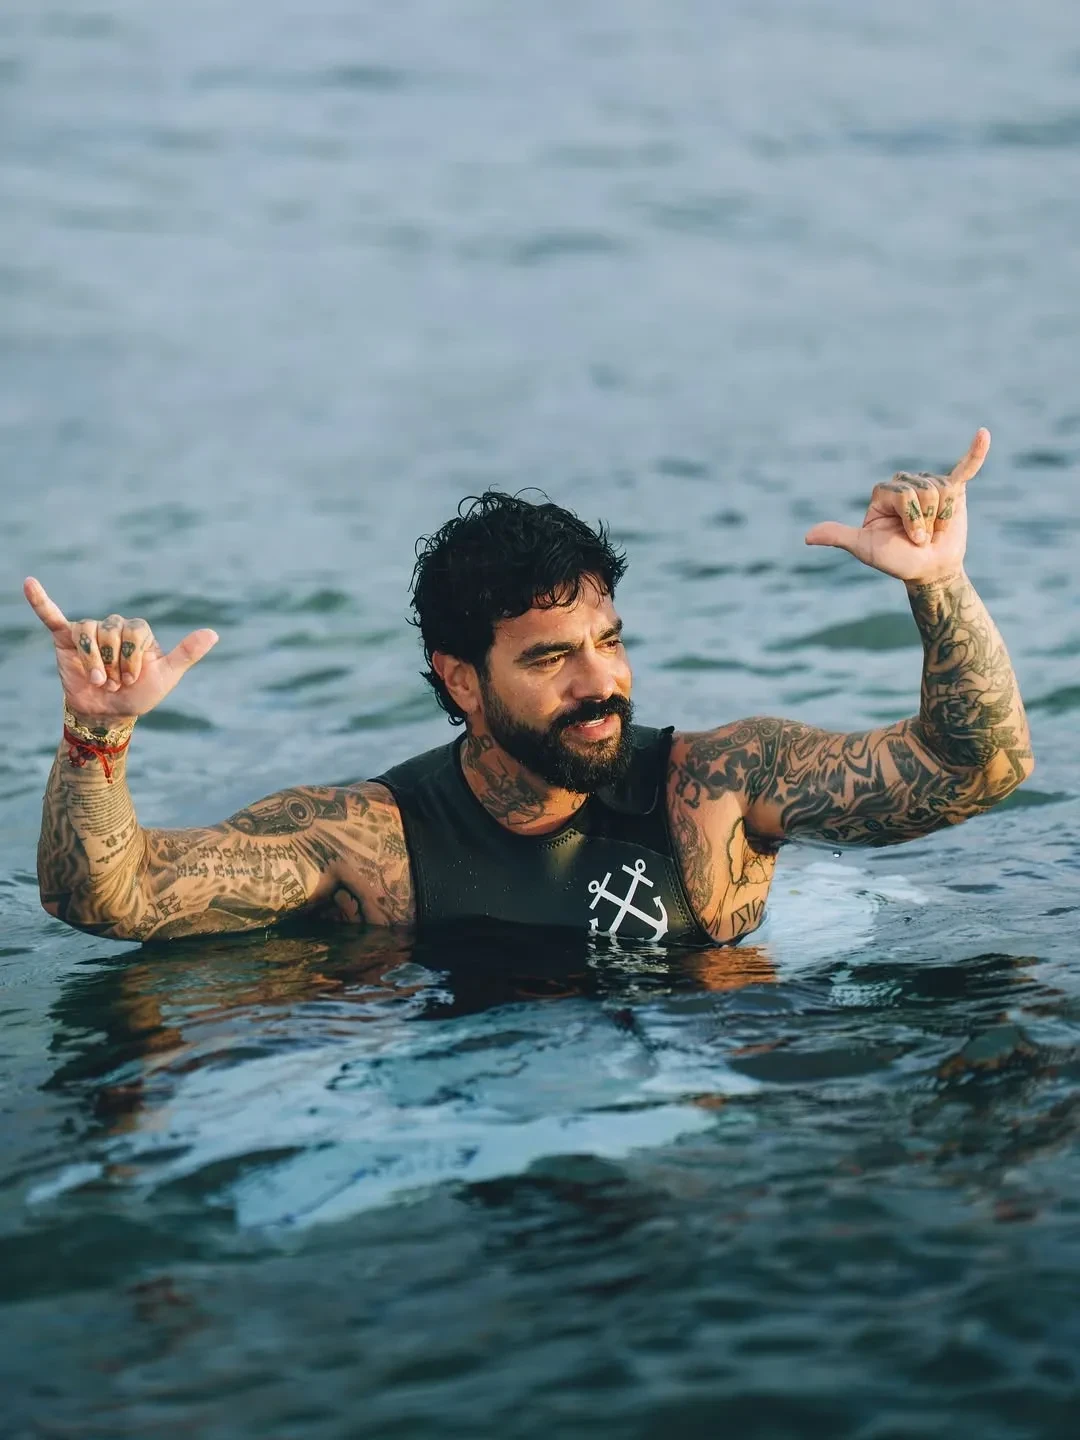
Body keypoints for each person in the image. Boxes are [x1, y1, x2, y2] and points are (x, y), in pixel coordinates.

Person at [29, 428, 1033, 946]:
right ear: (461, 680)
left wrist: (939, 585)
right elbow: (110, 898)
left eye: (609, 641)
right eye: (551, 659)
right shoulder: (371, 841)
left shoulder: (717, 790)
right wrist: (95, 735)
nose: (602, 683)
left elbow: (979, 769)